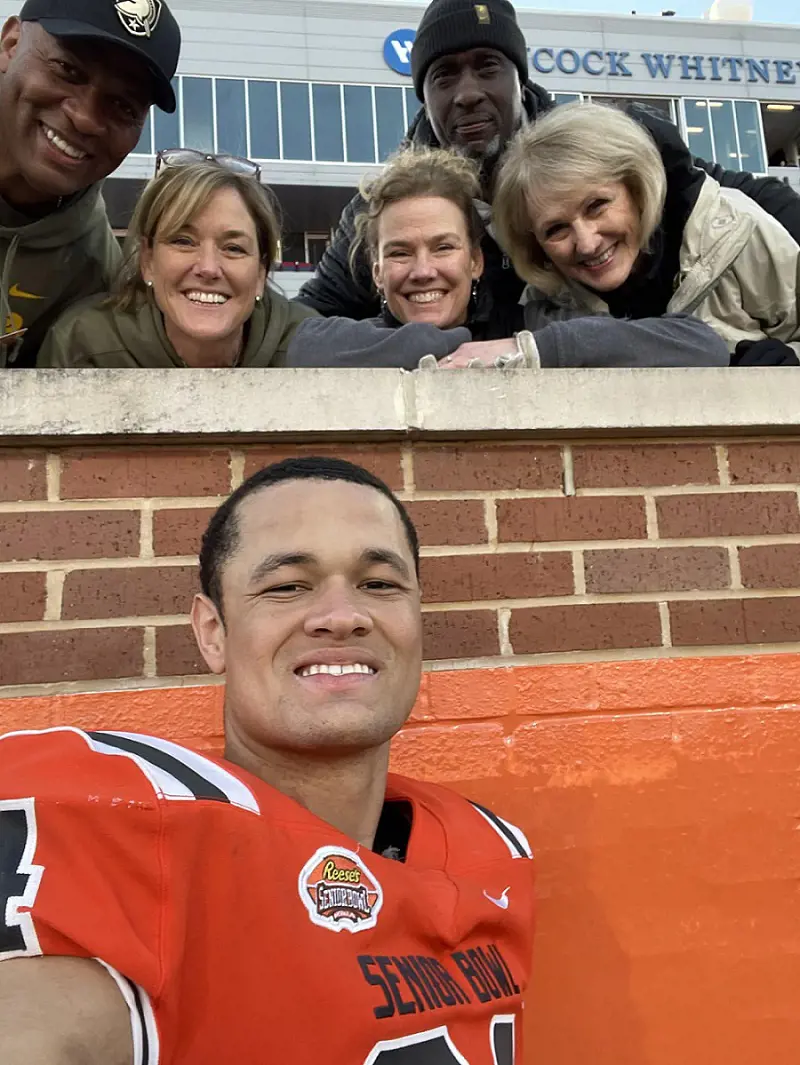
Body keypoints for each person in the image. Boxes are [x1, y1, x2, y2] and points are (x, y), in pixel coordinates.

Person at [0, 455, 536, 1065]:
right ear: (213, 633)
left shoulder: (494, 852)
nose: (343, 617)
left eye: (380, 584)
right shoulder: (149, 836)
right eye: (287, 586)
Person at [296, 0, 800, 338]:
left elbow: (724, 197)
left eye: (487, 67)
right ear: (423, 96)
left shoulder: (595, 145)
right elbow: (312, 317)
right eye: (444, 76)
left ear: (519, 78)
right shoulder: (390, 206)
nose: (468, 93)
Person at [287, 146, 727, 370]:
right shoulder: (347, 341)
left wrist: (528, 349)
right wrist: (449, 349)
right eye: (400, 253)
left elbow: (700, 346)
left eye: (444, 247)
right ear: (378, 274)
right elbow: (299, 348)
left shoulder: (532, 326)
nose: (423, 272)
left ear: (476, 261)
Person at [490, 102, 800, 367]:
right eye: (556, 229)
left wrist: (791, 362)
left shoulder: (736, 231)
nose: (587, 243)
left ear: (636, 188)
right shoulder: (544, 303)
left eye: (596, 206)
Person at [0, 0, 181, 367]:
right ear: (10, 43)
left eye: (122, 105)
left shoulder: (95, 274)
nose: (85, 118)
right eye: (67, 69)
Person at [38, 152, 317, 368]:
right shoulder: (83, 343)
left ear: (260, 273)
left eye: (233, 248)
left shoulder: (313, 348)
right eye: (183, 241)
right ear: (147, 260)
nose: (208, 268)